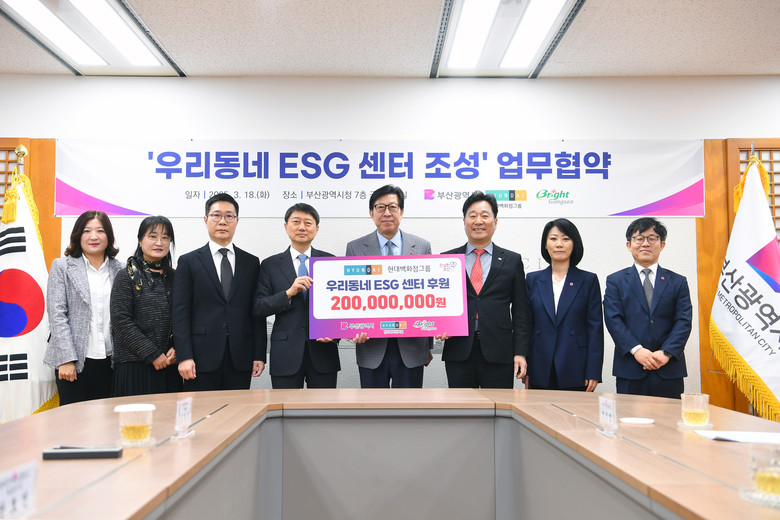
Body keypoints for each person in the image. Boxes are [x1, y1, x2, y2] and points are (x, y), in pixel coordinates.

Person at [437, 191, 530, 389]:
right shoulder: (447, 259)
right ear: (464, 221)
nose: (478, 221)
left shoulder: (512, 260)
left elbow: (521, 312)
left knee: (499, 405)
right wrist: (439, 326)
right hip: (459, 350)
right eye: (472, 216)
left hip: (500, 352)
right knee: (462, 406)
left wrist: (520, 352)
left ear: (495, 222)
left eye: (485, 216)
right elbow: (438, 303)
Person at [172, 193, 265, 391]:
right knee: (200, 410)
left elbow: (256, 312)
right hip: (199, 358)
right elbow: (180, 313)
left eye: (229, 216)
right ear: (206, 220)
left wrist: (259, 354)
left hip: (240, 356)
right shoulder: (188, 262)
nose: (222, 221)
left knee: (238, 409)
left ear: (237, 221)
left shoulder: (251, 262)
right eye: (216, 215)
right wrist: (184, 356)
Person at [345, 184, 432, 388]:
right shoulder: (355, 247)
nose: (387, 213)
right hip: (371, 347)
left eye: (392, 207)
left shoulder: (422, 246)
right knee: (373, 407)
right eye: (380, 207)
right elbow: (349, 293)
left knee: (409, 406)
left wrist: (428, 345)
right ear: (371, 212)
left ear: (402, 211)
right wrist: (351, 329)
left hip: (411, 347)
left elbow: (428, 295)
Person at [603, 217, 692, 398]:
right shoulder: (615, 281)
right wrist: (637, 350)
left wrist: (666, 352)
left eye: (652, 238)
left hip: (668, 369)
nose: (645, 243)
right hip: (631, 368)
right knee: (628, 416)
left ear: (662, 245)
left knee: (669, 416)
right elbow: (613, 320)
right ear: (629, 245)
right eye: (639, 238)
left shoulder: (678, 282)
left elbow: (683, 321)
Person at [254, 203, 340, 388]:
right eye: (296, 222)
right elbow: (259, 307)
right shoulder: (270, 264)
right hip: (285, 354)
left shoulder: (330, 261)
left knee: (324, 406)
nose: (302, 227)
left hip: (324, 352)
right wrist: (288, 293)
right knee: (286, 405)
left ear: (316, 229)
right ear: (286, 226)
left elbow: (340, 307)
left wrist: (335, 335)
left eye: (308, 223)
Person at [44, 210, 122, 404]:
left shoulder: (120, 269)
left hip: (111, 362)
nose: (94, 236)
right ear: (78, 235)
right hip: (74, 362)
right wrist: (66, 359)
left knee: (107, 418)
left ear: (109, 236)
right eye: (87, 231)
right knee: (74, 419)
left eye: (100, 231)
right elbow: (57, 315)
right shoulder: (62, 267)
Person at [525, 218, 603, 391]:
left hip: (576, 366)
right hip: (539, 366)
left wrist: (593, 371)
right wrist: (527, 367)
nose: (559, 244)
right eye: (553, 238)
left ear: (574, 244)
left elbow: (595, 329)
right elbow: (527, 326)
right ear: (546, 245)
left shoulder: (588, 280)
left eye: (566, 239)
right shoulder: (532, 280)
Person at [110, 216, 182, 397]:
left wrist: (178, 348)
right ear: (140, 241)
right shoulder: (126, 276)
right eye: (152, 236)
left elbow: (184, 317)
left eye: (165, 237)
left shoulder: (176, 277)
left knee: (170, 415)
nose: (159, 242)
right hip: (134, 366)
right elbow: (120, 321)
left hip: (170, 366)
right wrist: (151, 353)